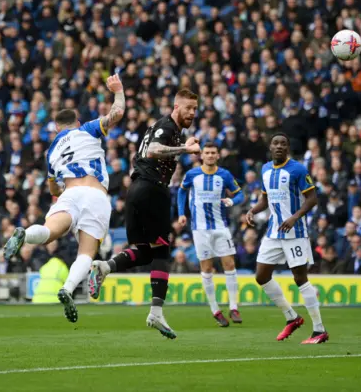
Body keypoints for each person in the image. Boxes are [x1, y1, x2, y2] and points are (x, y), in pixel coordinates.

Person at [3, 75, 126, 322]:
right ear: (77, 122)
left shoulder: (52, 152)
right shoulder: (88, 129)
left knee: (49, 232)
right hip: (95, 194)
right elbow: (118, 113)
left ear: (57, 128)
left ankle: (24, 234)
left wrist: (59, 195)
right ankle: (67, 288)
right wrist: (118, 91)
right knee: (87, 252)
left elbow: (53, 188)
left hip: (69, 193)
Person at [88, 88, 201, 339]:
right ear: (176, 106)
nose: (193, 113)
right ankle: (156, 312)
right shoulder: (167, 127)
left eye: (195, 109)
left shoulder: (163, 128)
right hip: (151, 190)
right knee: (162, 251)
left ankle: (105, 267)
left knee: (144, 252)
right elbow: (153, 151)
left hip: (137, 190)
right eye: (188, 108)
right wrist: (185, 149)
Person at [245, 132, 328, 344]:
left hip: (295, 233)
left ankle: (319, 330)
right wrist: (252, 211)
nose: (279, 146)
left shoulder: (297, 169)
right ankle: (292, 317)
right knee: (261, 276)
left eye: (283, 143)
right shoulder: (264, 170)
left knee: (300, 279)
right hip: (274, 232)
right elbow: (265, 200)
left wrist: (294, 217)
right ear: (270, 147)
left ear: (288, 148)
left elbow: (312, 199)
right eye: (276, 143)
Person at [177, 142, 244, 326]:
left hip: (220, 227)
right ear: (202, 155)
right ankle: (215, 310)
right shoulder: (192, 174)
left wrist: (231, 200)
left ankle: (234, 307)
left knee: (229, 264)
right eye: (207, 153)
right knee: (206, 268)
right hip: (200, 229)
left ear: (218, 155)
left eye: (213, 153)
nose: (210, 155)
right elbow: (181, 192)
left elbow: (240, 195)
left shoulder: (224, 175)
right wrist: (181, 213)